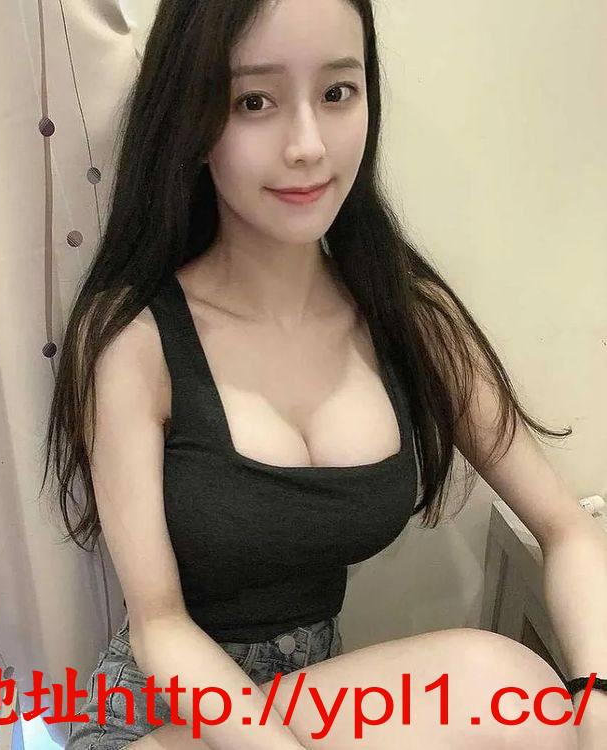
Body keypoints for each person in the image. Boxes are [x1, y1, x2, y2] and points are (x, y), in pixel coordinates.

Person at [41, 1, 586, 748]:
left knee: (523, 702)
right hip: (165, 718)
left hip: (313, 710)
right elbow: (159, 627)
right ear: (193, 116)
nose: (307, 146)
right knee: (503, 687)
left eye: (336, 93)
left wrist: (597, 698)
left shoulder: (407, 317)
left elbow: (566, 527)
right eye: (254, 102)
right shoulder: (135, 339)